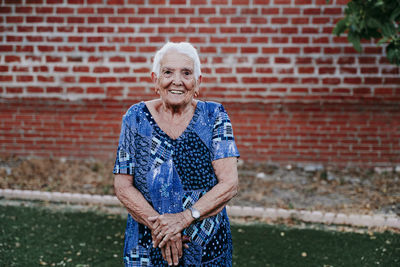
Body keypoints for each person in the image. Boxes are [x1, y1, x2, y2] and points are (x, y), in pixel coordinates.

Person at [113, 42, 240, 266]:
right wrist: (163, 230)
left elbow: (229, 183)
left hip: (205, 246)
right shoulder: (135, 117)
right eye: (168, 72)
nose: (177, 81)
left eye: (187, 73)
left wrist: (182, 219)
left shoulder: (214, 116)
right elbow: (123, 185)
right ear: (156, 80)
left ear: (198, 82)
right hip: (147, 242)